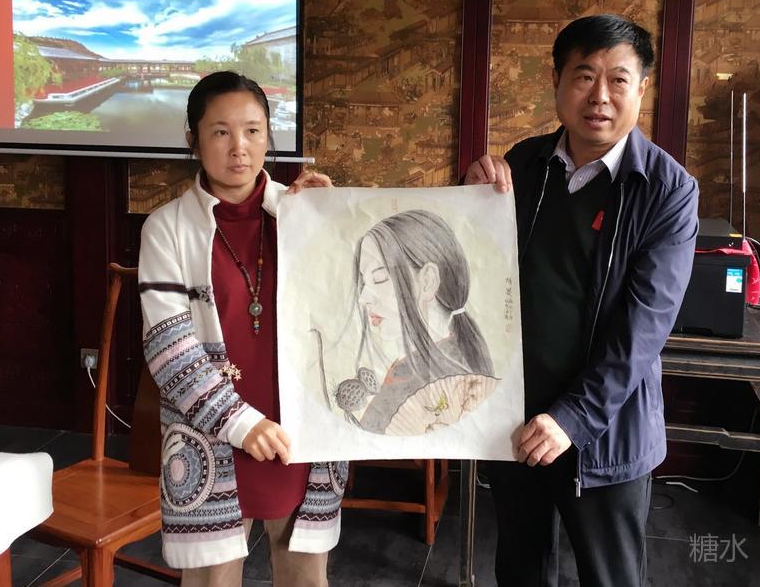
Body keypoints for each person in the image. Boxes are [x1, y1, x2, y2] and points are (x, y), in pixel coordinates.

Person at [465, 14, 698, 586]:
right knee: (520, 567)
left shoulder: (667, 190)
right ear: (557, 80)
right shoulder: (524, 165)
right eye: (584, 76)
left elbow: (643, 331)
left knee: (610, 575)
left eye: (618, 80)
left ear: (642, 89)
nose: (600, 97)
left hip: (605, 428)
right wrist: (470, 204)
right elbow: (478, 276)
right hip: (516, 418)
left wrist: (572, 418)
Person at [138, 71, 347, 586]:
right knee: (211, 579)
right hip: (210, 433)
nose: (239, 147)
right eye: (220, 132)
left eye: (253, 131)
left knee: (305, 575)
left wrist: (332, 223)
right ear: (193, 139)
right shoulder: (167, 227)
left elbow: (346, 309)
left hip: (296, 431)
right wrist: (241, 424)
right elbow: (169, 349)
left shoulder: (297, 211)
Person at [331, 209, 496, 434]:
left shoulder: (441, 381)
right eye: (365, 283)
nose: (363, 298)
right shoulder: (420, 366)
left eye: (379, 278)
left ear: (428, 281)